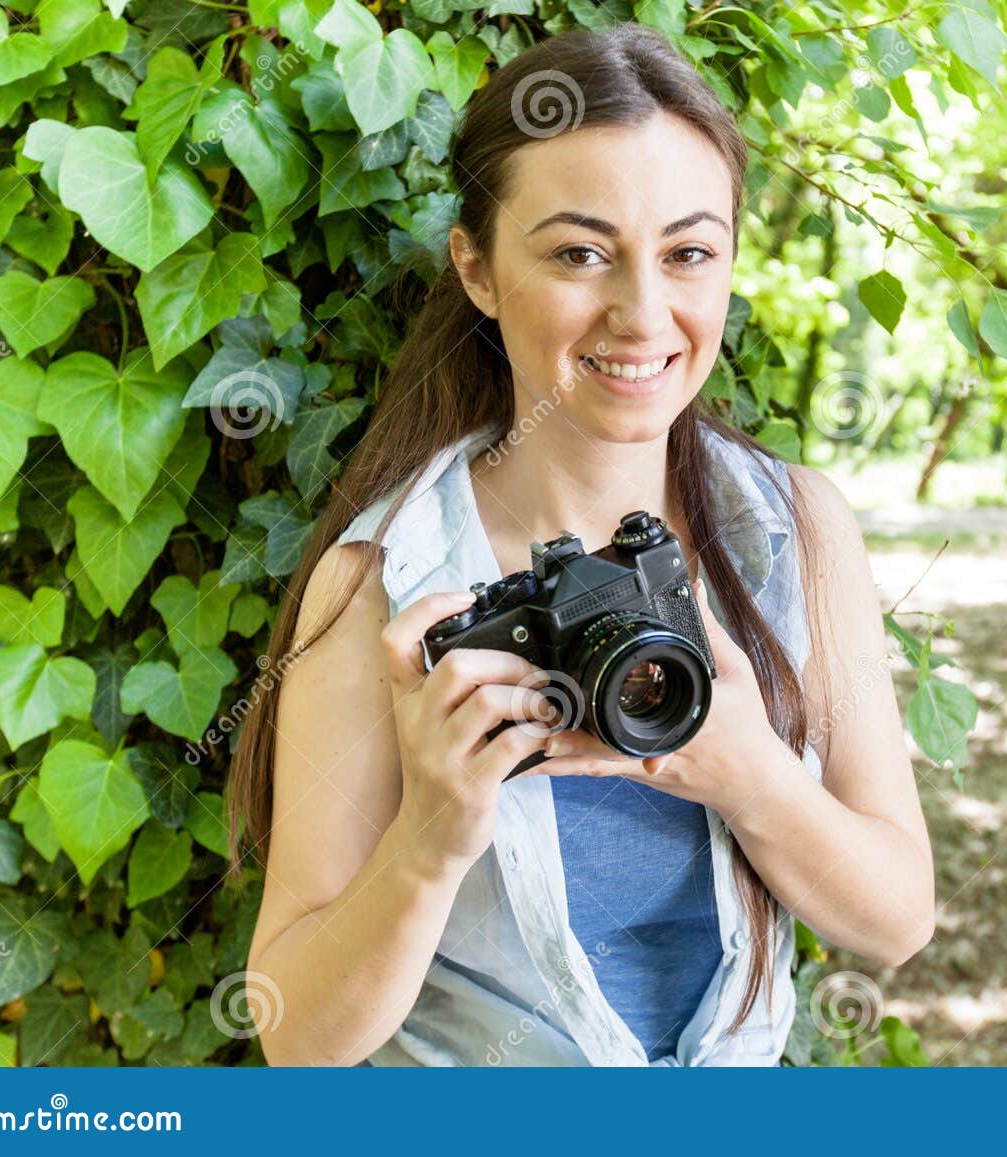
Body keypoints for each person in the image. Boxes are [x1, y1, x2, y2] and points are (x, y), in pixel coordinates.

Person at [228, 22, 933, 1067]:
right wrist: (427, 841)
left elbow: (895, 921)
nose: (642, 313)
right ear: (474, 267)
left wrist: (749, 773)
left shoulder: (795, 531)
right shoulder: (387, 583)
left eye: (689, 252)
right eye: (578, 253)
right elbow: (293, 1038)